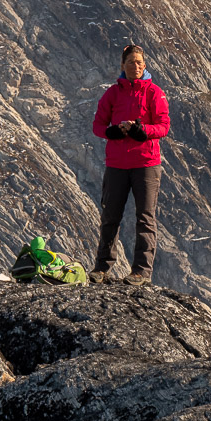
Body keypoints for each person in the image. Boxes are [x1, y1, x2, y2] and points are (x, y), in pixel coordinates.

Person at [89, 44, 169, 284]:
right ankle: (102, 268)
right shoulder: (112, 94)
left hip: (146, 163)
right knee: (110, 216)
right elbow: (98, 125)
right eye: (132, 62)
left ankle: (141, 272)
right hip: (117, 164)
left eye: (140, 63)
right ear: (123, 65)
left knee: (145, 217)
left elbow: (164, 126)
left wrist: (141, 130)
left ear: (145, 66)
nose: (137, 66)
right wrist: (112, 132)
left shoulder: (154, 93)